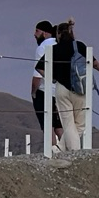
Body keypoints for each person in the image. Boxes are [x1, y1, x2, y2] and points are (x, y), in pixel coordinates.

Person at [39, 18, 99, 153]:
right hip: (80, 88)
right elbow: (94, 63)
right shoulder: (80, 46)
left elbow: (39, 67)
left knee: (68, 123)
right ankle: (73, 153)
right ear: (71, 33)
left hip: (61, 89)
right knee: (79, 125)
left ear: (58, 34)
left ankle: (62, 148)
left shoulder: (53, 50)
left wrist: (52, 78)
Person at [29, 21, 62, 149]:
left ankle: (52, 149)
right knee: (59, 124)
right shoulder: (60, 44)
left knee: (48, 124)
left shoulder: (43, 47)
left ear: (44, 32)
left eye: (37, 31)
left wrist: (33, 91)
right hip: (61, 90)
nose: (34, 34)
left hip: (44, 90)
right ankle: (69, 149)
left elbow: (38, 73)